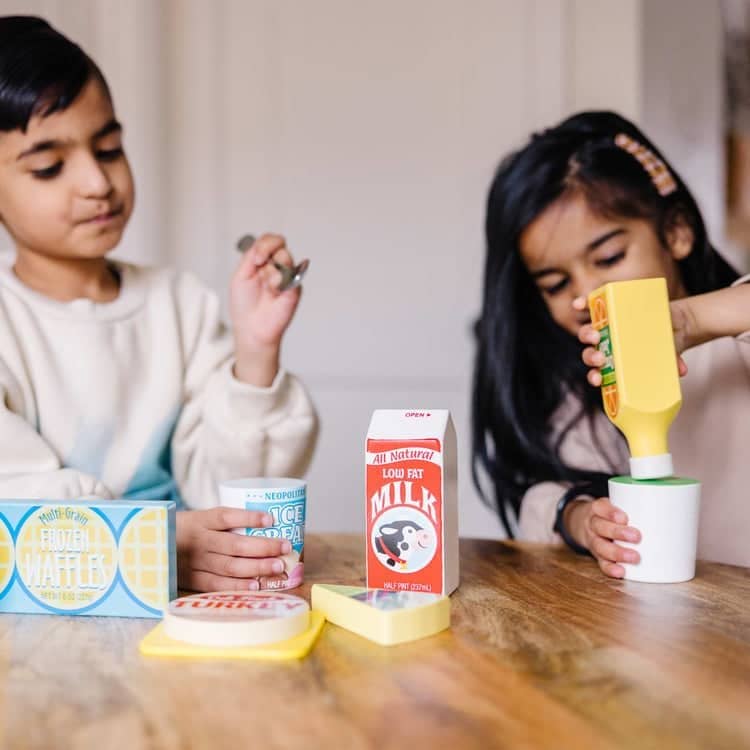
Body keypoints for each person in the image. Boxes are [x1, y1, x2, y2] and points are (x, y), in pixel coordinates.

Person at [0, 16, 318, 591]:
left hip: (189, 610)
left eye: (109, 149)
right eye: (49, 167)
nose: (97, 182)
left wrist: (254, 352)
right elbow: (18, 508)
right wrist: (158, 543)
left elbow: (237, 498)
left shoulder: (178, 304)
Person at [472, 110, 750, 576]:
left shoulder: (735, 348)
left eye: (608, 257)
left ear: (676, 232)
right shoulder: (581, 387)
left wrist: (688, 320)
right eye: (556, 284)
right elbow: (542, 498)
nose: (586, 296)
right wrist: (579, 518)